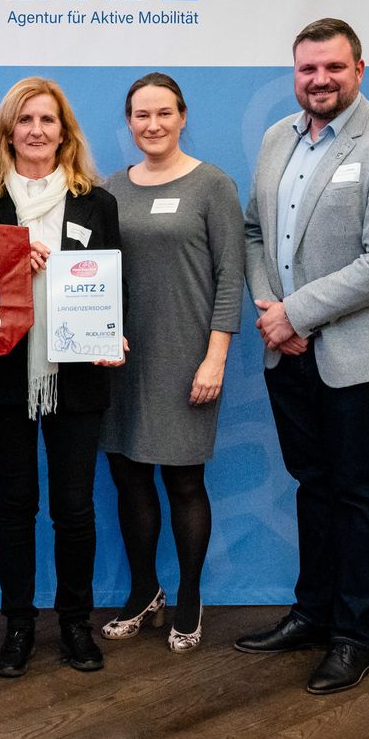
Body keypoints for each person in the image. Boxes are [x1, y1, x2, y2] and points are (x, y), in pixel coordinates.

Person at [237, 18, 369, 695]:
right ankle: (312, 613)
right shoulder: (274, 139)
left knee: (354, 493)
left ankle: (354, 636)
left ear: (359, 69)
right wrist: (271, 313)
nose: (319, 80)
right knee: (313, 486)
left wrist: (299, 313)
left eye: (333, 69)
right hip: (284, 347)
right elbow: (255, 232)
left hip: (354, 353)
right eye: (307, 69)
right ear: (295, 74)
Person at [0, 77, 123, 678]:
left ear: (65, 132)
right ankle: (18, 625)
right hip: (4, 376)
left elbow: (114, 284)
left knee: (74, 507)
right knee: (15, 503)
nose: (36, 131)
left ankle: (75, 623)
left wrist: (115, 333)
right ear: (7, 131)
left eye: (47, 120)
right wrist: (6, 263)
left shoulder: (97, 202)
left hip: (78, 377)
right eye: (24, 120)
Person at [98, 72, 244, 653]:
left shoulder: (213, 185)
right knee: (128, 477)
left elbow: (230, 276)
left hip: (189, 358)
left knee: (184, 481)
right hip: (119, 360)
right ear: (129, 122)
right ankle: (143, 591)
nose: (152, 125)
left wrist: (216, 357)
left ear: (183, 116)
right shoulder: (110, 188)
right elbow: (94, 273)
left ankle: (189, 595)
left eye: (163, 113)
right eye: (141, 115)